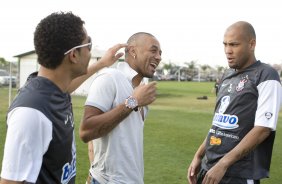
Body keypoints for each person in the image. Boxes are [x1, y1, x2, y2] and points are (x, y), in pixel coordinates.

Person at [0, 11, 126, 184]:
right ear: (73, 55)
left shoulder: (53, 88)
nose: (91, 50)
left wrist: (102, 63)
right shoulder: (31, 113)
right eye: (88, 44)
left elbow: (68, 86)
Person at [187, 21, 282, 184]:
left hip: (239, 174)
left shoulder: (266, 75)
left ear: (251, 44)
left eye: (234, 45)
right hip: (208, 168)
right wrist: (198, 156)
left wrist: (223, 164)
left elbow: (263, 129)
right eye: (225, 45)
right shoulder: (226, 76)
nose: (227, 51)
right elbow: (217, 124)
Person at [79, 32, 162, 184]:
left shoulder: (140, 90)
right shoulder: (110, 78)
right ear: (132, 51)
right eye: (153, 50)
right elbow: (86, 131)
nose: (158, 57)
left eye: (160, 53)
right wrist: (133, 102)